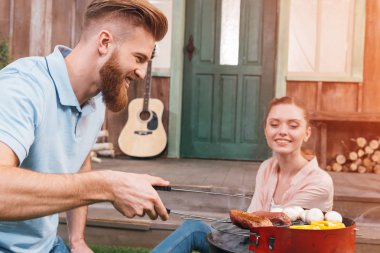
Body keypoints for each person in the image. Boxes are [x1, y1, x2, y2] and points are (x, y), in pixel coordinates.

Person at [0, 0, 170, 252]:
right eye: (138, 58)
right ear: (104, 43)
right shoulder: (22, 87)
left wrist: (77, 239)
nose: (143, 73)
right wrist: (107, 185)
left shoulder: (96, 98)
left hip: (47, 246)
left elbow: (80, 161)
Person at [151, 96, 334, 253]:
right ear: (266, 130)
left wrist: (242, 217)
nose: (282, 131)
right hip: (252, 244)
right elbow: (252, 219)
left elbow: (277, 228)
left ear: (307, 133)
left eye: (293, 125)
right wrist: (241, 219)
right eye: (274, 124)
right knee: (194, 228)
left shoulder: (319, 182)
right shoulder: (267, 167)